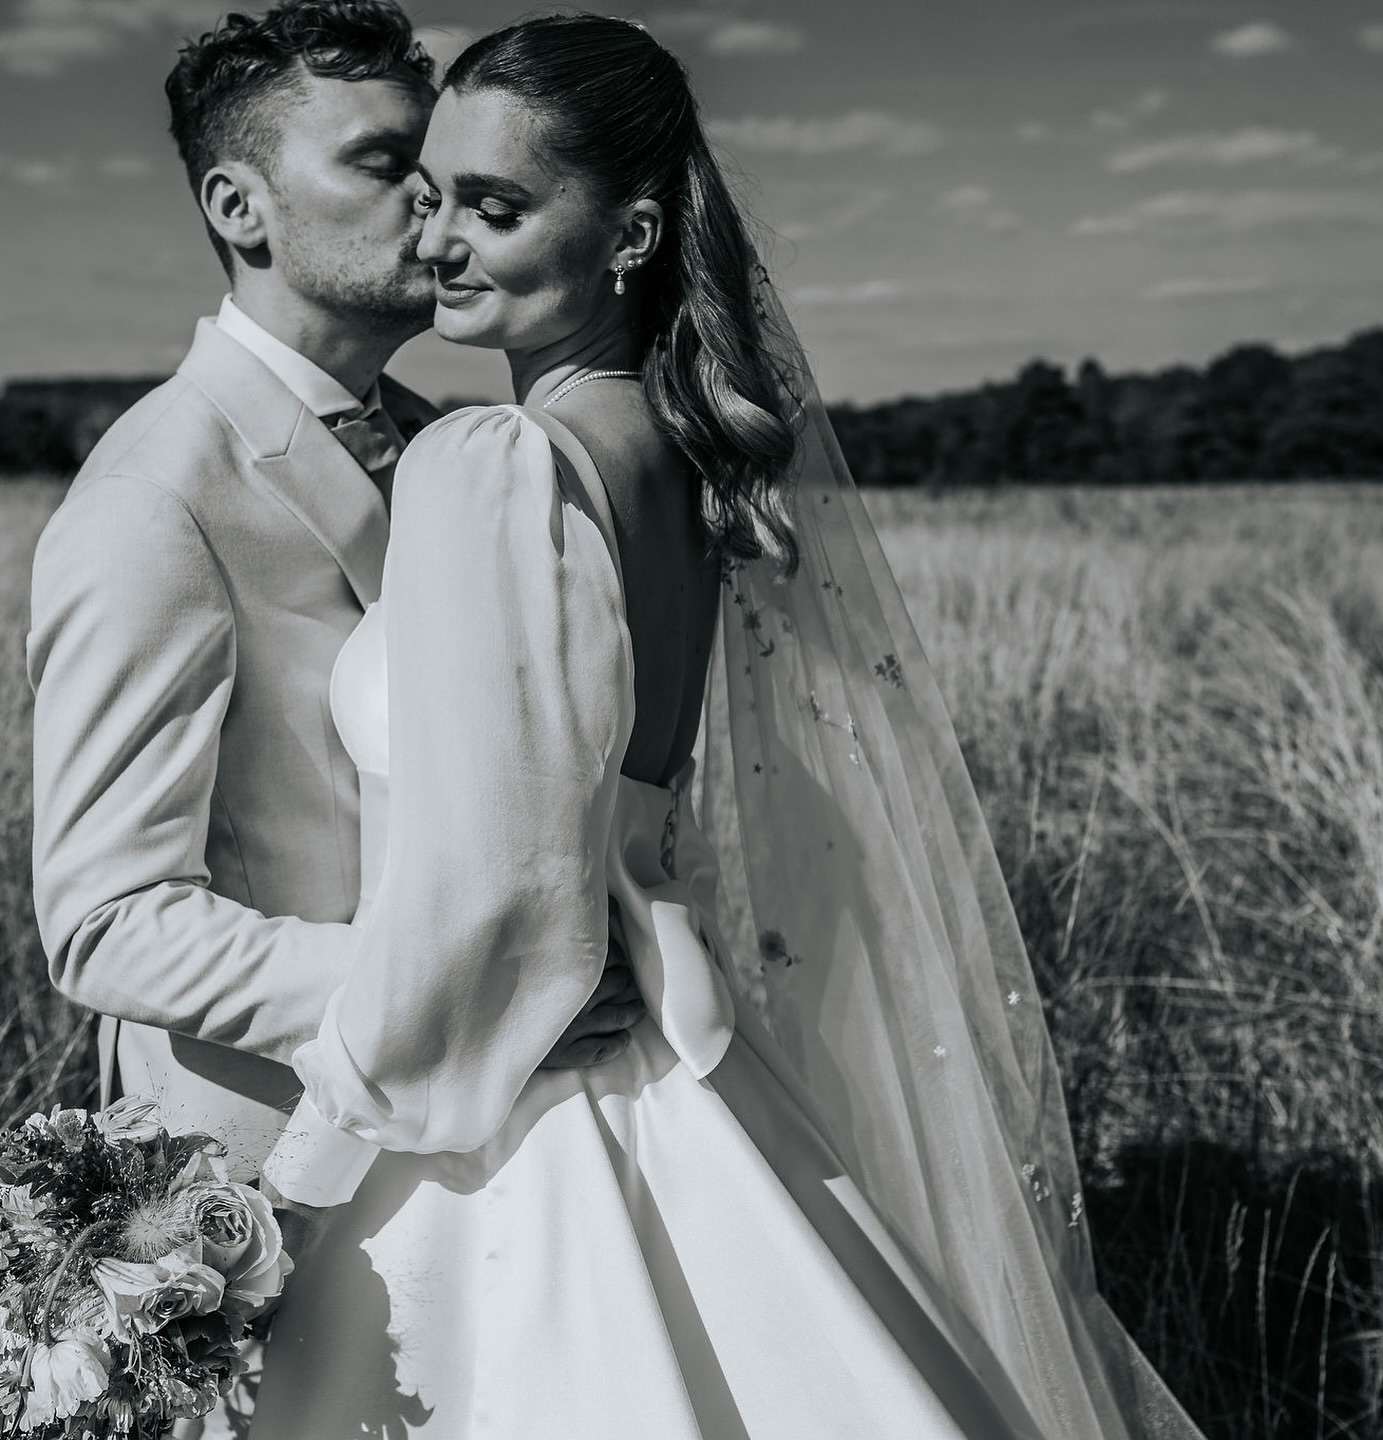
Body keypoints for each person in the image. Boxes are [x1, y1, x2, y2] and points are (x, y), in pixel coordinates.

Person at [250, 12, 1206, 1439]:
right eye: (434, 196)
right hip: (665, 1069)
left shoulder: (492, 461)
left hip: (499, 1115)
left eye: (497, 208)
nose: (441, 239)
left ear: (628, 236)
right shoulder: (676, 459)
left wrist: (291, 1182)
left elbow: (482, 894)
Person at [27, 1, 639, 1431]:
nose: (435, 210)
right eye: (383, 165)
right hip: (262, 1196)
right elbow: (107, 918)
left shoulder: (450, 445)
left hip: (487, 1144)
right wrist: (450, 989)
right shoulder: (152, 498)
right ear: (238, 205)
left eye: (443, 169)